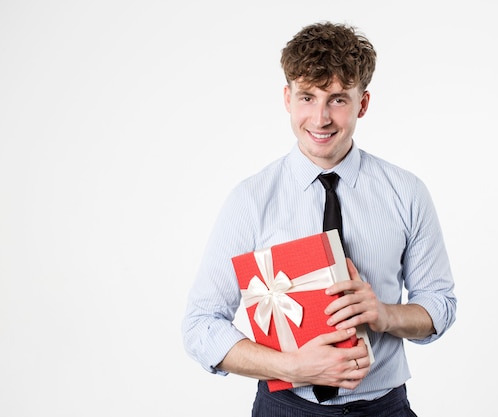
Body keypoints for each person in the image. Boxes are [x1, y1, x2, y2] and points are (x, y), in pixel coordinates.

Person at [182, 21, 456, 416]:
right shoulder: (251, 199)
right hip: (285, 407)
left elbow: (439, 304)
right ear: (287, 98)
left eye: (338, 99)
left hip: (384, 408)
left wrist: (385, 314)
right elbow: (200, 325)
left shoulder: (406, 192)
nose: (320, 118)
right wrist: (291, 367)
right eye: (307, 97)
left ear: (362, 103)